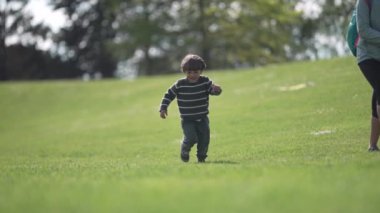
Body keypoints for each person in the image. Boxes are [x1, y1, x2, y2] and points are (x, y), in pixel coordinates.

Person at [159, 54, 222, 162]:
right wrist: (163, 107)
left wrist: (217, 90)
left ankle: (201, 157)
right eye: (189, 72)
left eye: (196, 72)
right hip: (187, 119)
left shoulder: (205, 82)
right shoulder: (180, 84)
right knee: (191, 137)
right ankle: (185, 149)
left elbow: (212, 91)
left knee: (204, 138)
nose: (192, 75)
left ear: (201, 71)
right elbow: (169, 95)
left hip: (202, 118)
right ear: (184, 71)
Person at [356, 0, 380, 151]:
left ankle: (372, 145)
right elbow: (363, 30)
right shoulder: (364, 1)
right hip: (367, 56)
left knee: (378, 94)